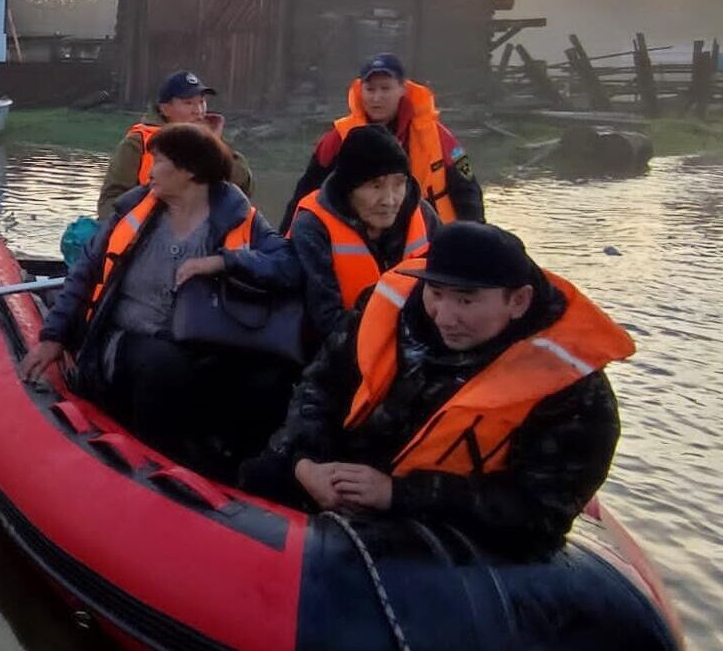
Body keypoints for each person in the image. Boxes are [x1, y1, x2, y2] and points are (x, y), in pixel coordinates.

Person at [240, 222, 634, 556]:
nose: (445, 317)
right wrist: (307, 462)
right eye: (437, 293)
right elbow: (320, 386)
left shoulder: (574, 391)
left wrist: (397, 495)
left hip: (437, 526)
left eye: (466, 300)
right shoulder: (385, 312)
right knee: (258, 466)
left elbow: (539, 512)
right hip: (334, 475)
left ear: (518, 301)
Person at [23, 124, 301, 476]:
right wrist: (53, 337)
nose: (150, 170)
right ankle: (158, 466)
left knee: (269, 377)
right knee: (165, 364)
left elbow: (288, 266)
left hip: (205, 343)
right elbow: (83, 275)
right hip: (126, 341)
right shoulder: (134, 211)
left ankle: (238, 470)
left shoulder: (238, 215)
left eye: (159, 161)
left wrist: (225, 260)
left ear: (189, 171)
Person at [280, 54, 483, 233]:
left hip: (431, 238)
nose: (377, 98)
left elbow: (468, 191)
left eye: (385, 88)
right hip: (364, 238)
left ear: (403, 88)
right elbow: (304, 195)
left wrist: (476, 239)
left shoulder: (441, 137)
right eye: (370, 89)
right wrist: (284, 242)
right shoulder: (338, 139)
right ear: (360, 90)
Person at [288, 124, 440, 339]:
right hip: (338, 352)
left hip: (415, 341)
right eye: (375, 186)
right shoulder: (313, 227)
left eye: (398, 184)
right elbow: (325, 321)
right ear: (348, 189)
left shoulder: (423, 214)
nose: (389, 200)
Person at [96, 70, 253, 222]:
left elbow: (243, 187)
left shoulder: (212, 141)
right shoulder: (137, 143)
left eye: (202, 102)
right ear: (165, 109)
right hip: (146, 235)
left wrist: (216, 145)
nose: (198, 111)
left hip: (202, 236)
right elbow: (109, 202)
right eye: (188, 103)